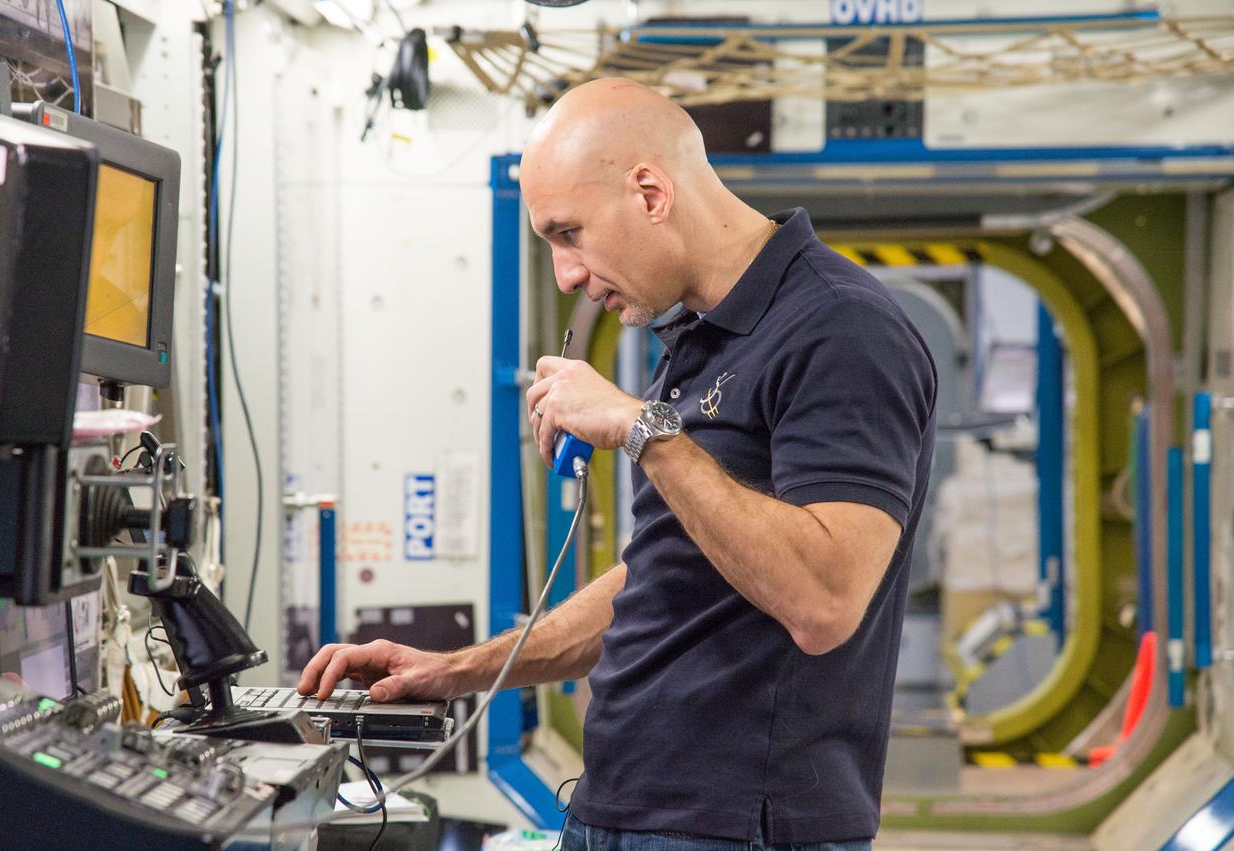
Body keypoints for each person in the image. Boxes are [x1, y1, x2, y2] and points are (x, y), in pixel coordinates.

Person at [299, 78, 937, 849]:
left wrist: (643, 428)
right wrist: (454, 670)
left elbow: (826, 602)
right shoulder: (703, 339)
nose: (566, 273)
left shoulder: (841, 328)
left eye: (568, 233)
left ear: (649, 192)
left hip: (736, 827)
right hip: (626, 808)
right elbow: (666, 585)